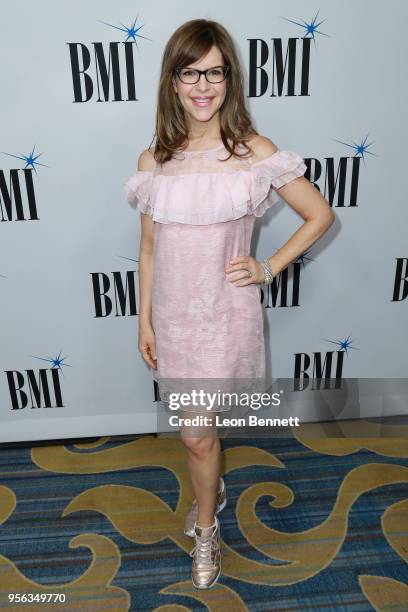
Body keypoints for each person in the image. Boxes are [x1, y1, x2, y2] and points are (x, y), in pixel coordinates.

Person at [124, 18, 334, 590]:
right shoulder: (155, 161)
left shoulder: (253, 153)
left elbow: (319, 216)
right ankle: (209, 498)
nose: (202, 85)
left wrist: (268, 268)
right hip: (173, 315)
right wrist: (144, 319)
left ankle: (208, 523)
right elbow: (148, 248)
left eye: (214, 72)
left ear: (229, 80)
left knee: (197, 434)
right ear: (172, 81)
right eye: (190, 72)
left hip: (225, 315)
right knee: (200, 432)